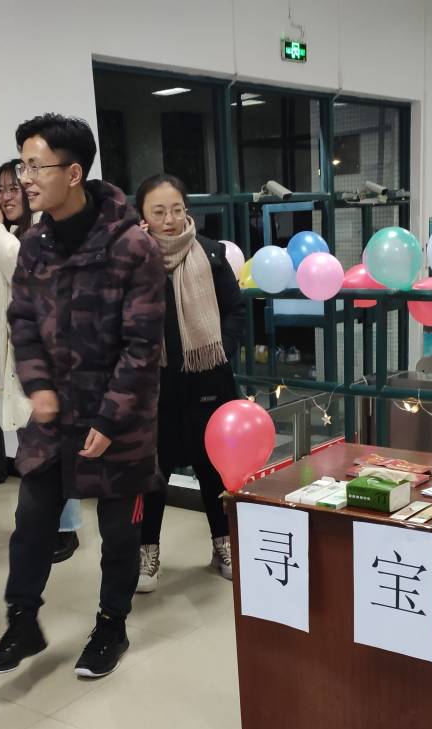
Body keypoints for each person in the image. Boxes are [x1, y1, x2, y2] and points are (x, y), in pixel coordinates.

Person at [0, 114, 164, 679]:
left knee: (118, 533)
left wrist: (110, 419)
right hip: (53, 418)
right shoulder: (35, 244)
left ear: (74, 173)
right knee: (32, 520)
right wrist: (38, 387)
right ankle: (22, 622)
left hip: (119, 421)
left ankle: (111, 625)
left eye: (36, 166)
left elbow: (142, 345)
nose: (25, 179)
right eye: (22, 166)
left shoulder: (132, 246)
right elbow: (23, 322)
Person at [133, 174, 243, 591]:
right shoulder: (132, 262)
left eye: (176, 209)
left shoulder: (211, 254)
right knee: (153, 469)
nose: (170, 220)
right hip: (155, 384)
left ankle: (222, 543)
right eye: (159, 211)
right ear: (143, 216)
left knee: (212, 466)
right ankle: (147, 553)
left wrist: (222, 347)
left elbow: (235, 309)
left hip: (207, 379)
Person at [0, 158, 80, 563]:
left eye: (12, 188)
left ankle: (65, 528)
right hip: (14, 361)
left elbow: (24, 269)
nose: (5, 196)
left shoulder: (43, 232)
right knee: (30, 445)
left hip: (48, 362)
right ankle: (41, 524)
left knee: (54, 449)